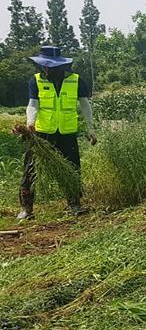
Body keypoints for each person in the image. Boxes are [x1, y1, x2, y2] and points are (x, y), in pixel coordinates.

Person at [16, 46, 97, 220]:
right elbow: (33, 104)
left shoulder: (76, 80)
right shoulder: (36, 81)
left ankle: (74, 204)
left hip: (67, 133)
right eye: (46, 65)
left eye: (53, 66)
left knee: (72, 169)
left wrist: (90, 128)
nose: (49, 69)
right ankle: (27, 209)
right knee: (31, 169)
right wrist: (30, 122)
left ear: (62, 66)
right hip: (42, 133)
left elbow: (85, 105)